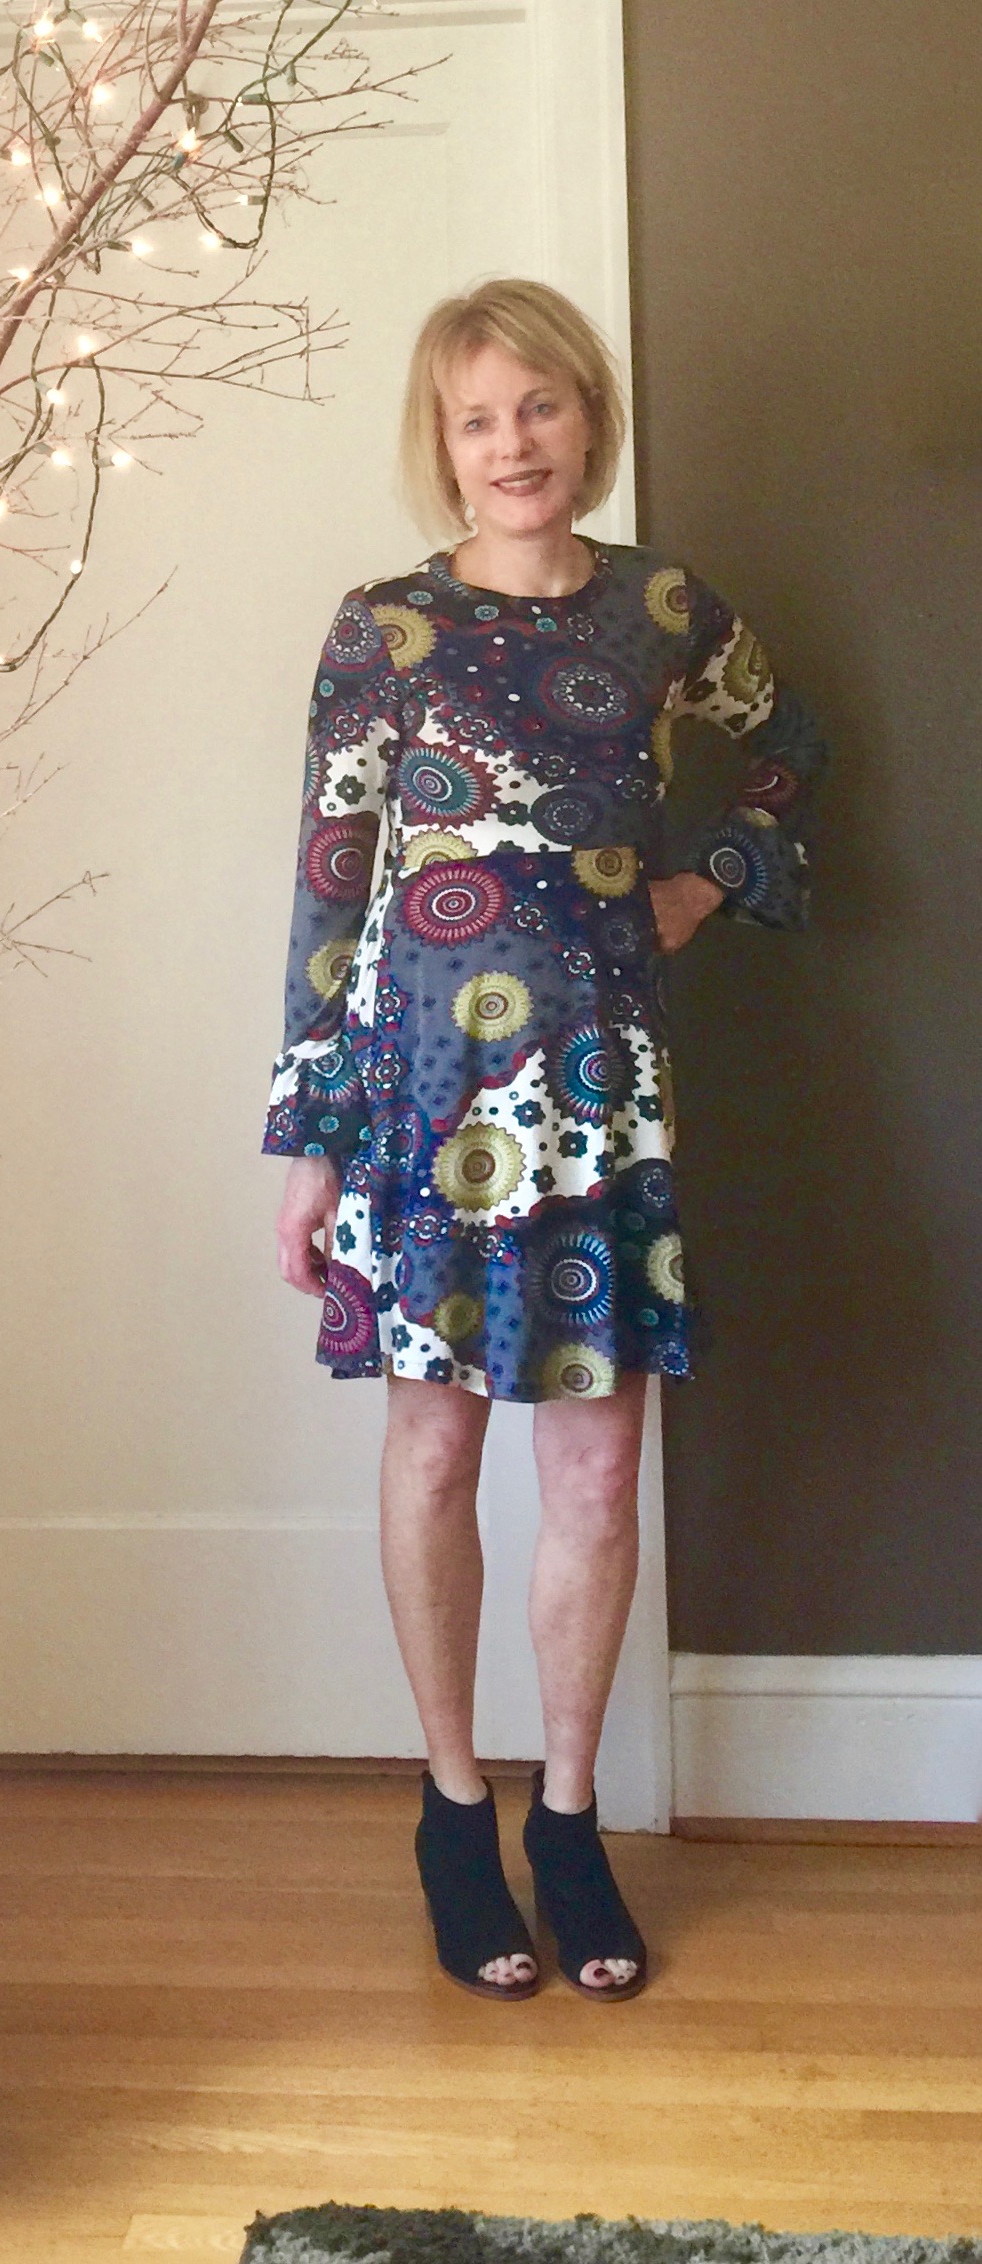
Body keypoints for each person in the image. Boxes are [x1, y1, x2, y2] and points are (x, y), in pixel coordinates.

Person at [261, 278, 828, 2003]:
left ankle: (567, 1824)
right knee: (434, 1453)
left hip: (596, 1097)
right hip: (418, 1097)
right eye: (476, 418)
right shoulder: (384, 630)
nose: (512, 444)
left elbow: (786, 748)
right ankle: (453, 1811)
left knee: (591, 1472)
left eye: (539, 406)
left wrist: (703, 881)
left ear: (588, 415)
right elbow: (329, 886)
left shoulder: (662, 608)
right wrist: (307, 1142)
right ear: (441, 447)